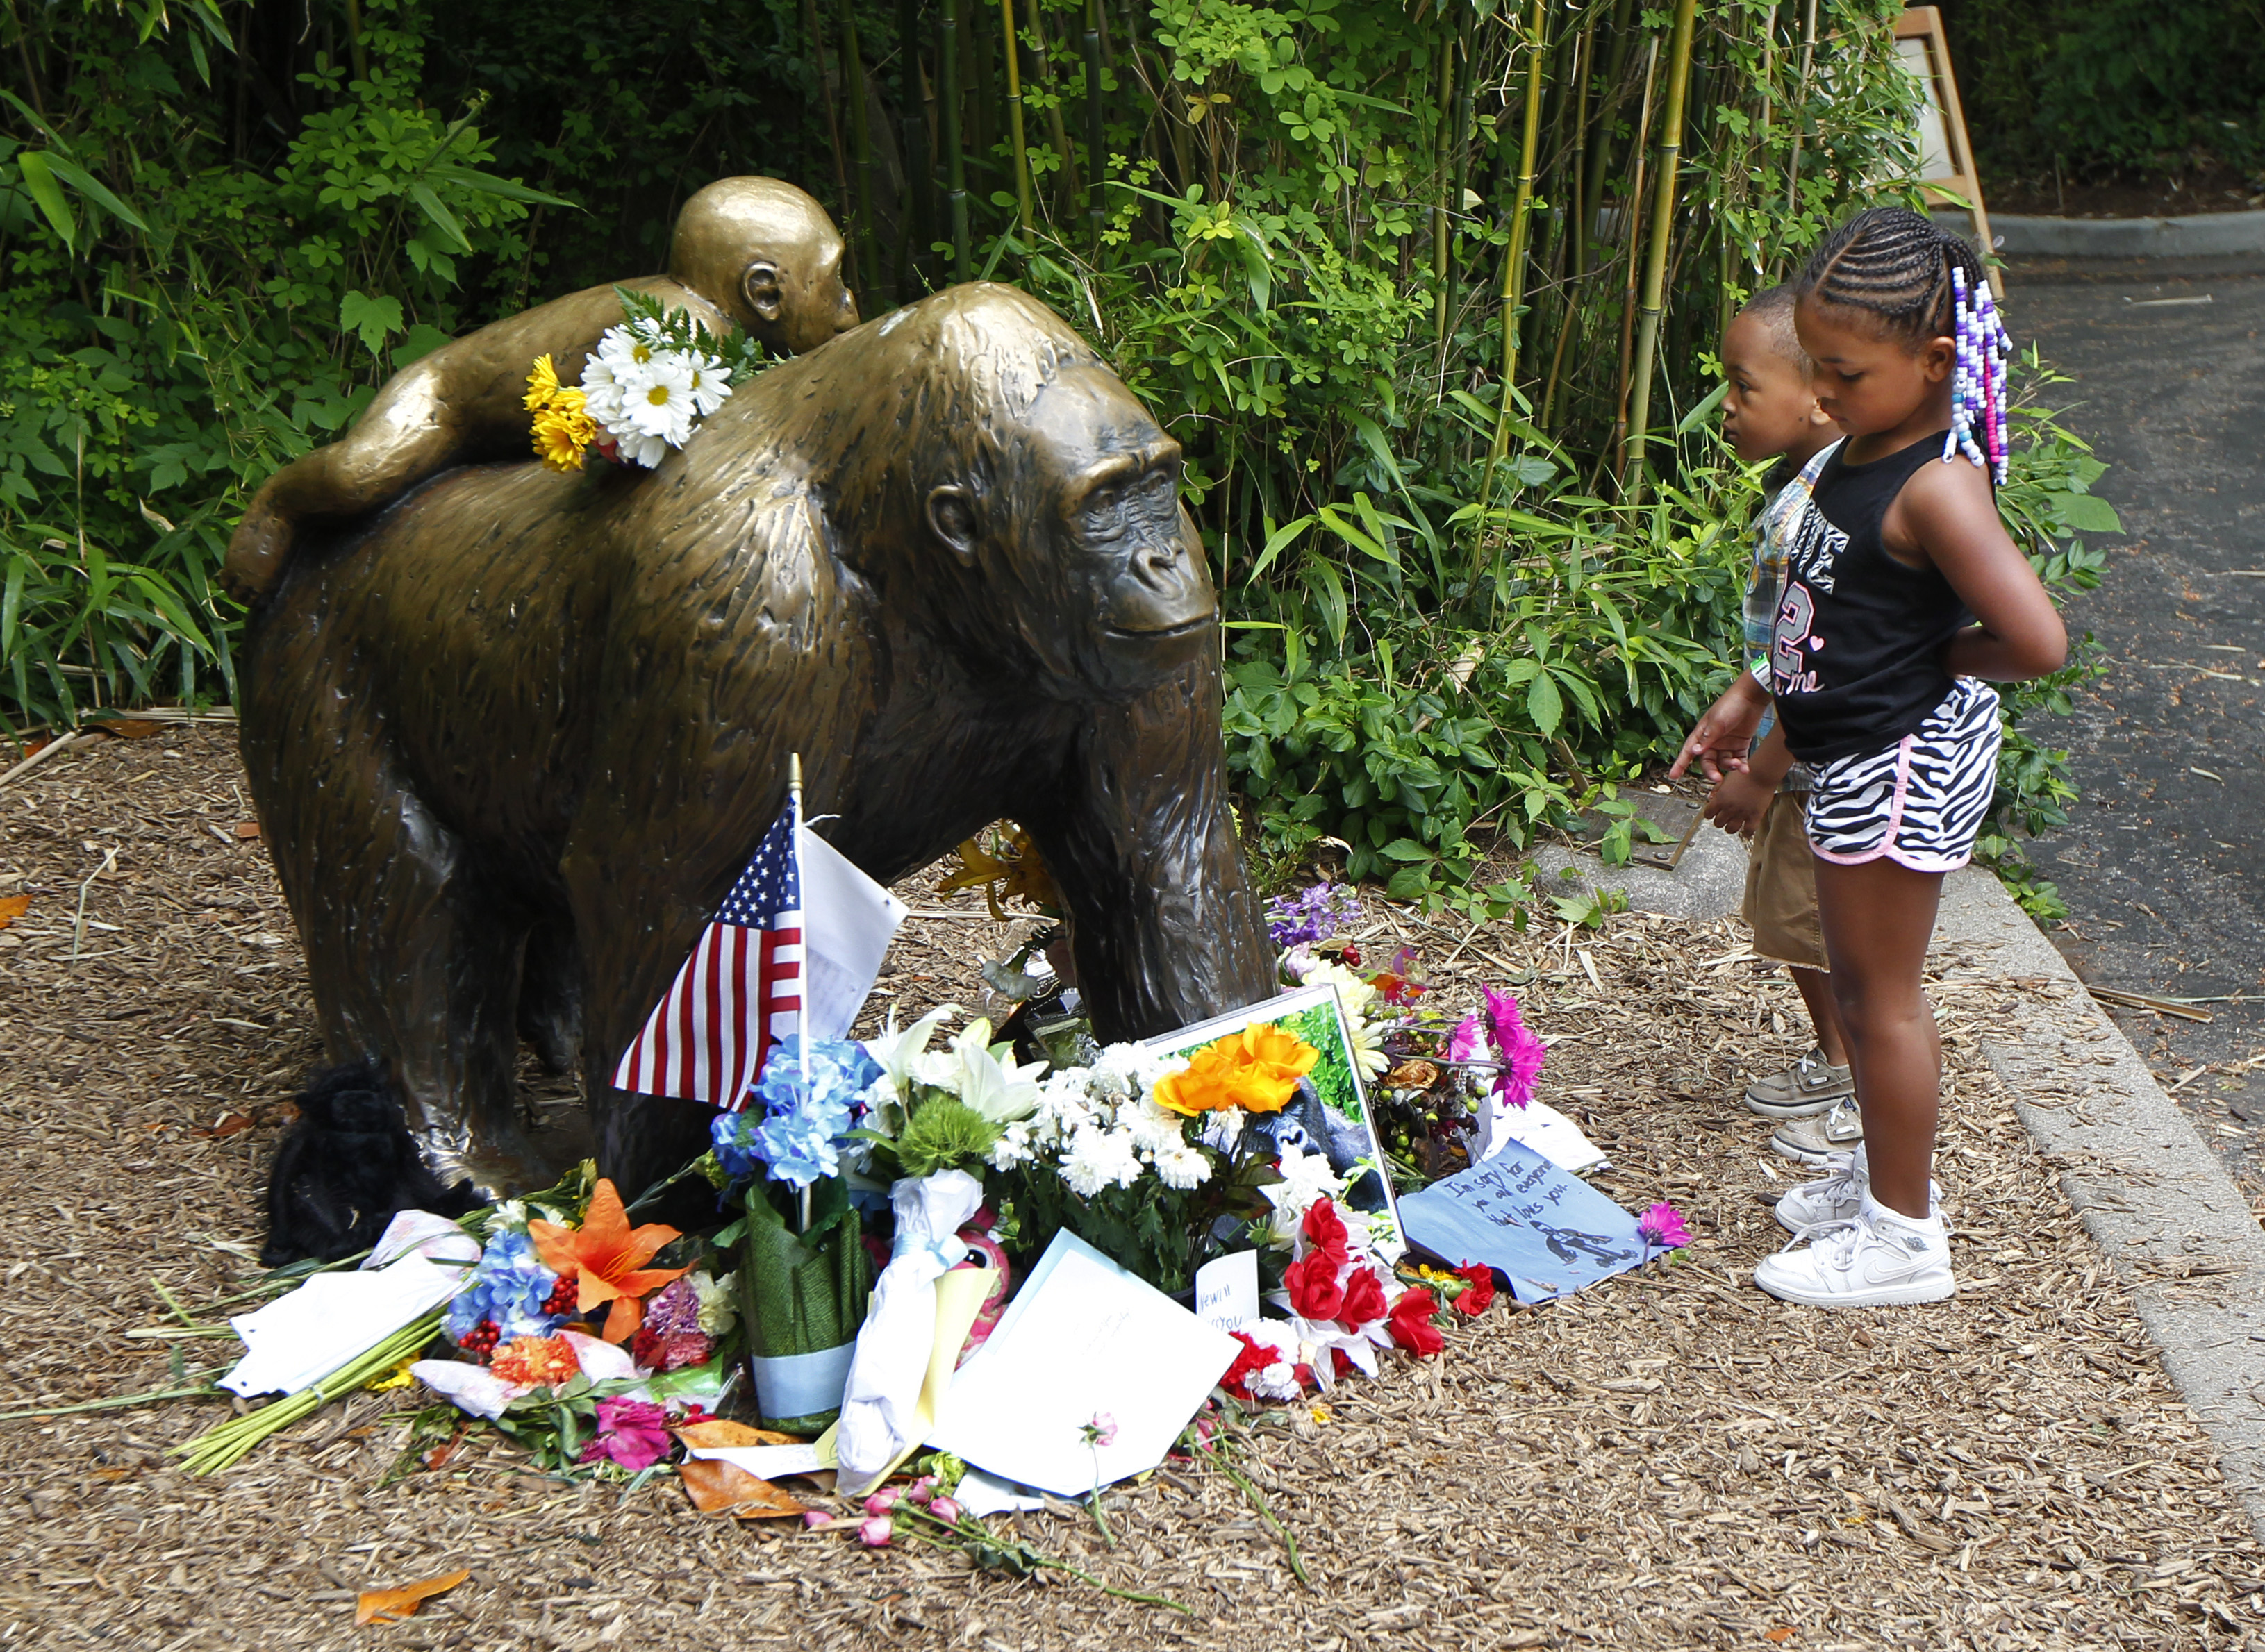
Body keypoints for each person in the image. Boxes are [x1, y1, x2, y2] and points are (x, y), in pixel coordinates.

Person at [1702, 207, 2066, 1308]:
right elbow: (1822, 607)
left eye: (1841, 371)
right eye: (1811, 366)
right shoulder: (1863, 445)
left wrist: (1926, 653)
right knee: (1860, 990)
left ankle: (1905, 1236)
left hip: (1896, 761)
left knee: (1881, 996)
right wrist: (1759, 700)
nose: (1820, 390)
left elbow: (2038, 642)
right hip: (1852, 751)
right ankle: (1879, 1178)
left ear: (1933, 360)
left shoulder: (1935, 484)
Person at [222, 176, 859, 603]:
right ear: (764, 293)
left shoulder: (708, 329)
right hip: (443, 399)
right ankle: (277, 505)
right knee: (360, 473)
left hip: (515, 431)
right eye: (833, 282)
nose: (848, 301)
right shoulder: (683, 332)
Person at [1670, 285, 1854, 1158]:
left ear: (1816, 395)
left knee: (1820, 929)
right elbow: (1791, 639)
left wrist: (1765, 768)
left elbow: (1828, 660)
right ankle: (1840, 1058)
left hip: (1826, 768)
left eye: (1742, 387)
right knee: (1794, 924)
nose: (1726, 409)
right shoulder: (1811, 489)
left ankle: (1856, 1088)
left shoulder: (1827, 511)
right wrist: (1748, 694)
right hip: (1804, 753)